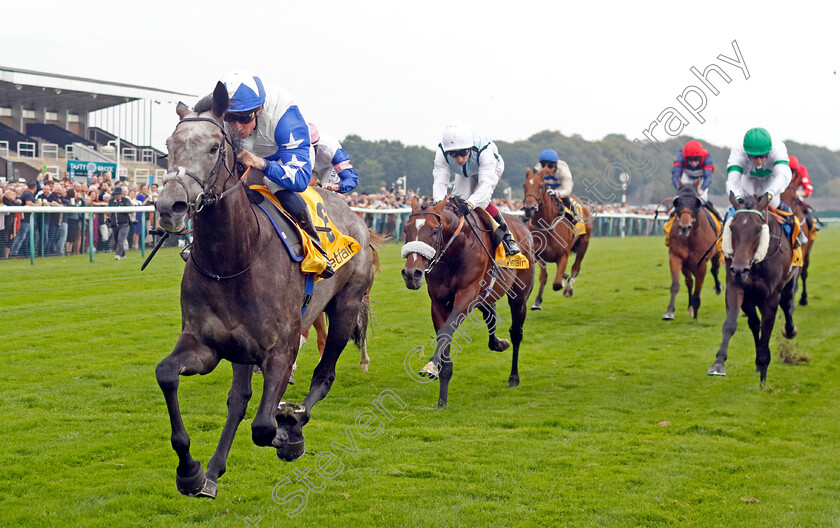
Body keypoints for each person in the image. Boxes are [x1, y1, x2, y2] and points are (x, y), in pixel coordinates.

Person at [220, 70, 334, 277]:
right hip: (251, 155)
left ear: (259, 109)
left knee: (274, 184)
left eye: (244, 118)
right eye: (230, 118)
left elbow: (299, 179)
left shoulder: (286, 118)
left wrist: (262, 164)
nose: (237, 127)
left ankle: (316, 246)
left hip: (287, 158)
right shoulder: (219, 104)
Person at [432, 123, 519, 255]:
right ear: (448, 152)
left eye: (463, 153)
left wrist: (470, 204)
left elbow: (485, 185)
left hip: (490, 168)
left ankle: (507, 236)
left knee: (481, 202)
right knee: (458, 200)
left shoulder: (485, 150)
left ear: (470, 148)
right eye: (454, 155)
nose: (460, 159)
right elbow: (440, 182)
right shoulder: (441, 152)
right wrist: (439, 205)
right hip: (465, 172)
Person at [726, 127, 807, 247]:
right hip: (747, 179)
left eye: (763, 156)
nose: (758, 161)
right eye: (754, 157)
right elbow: (732, 181)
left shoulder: (778, 148)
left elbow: (783, 176)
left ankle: (796, 231)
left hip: (771, 179)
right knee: (739, 207)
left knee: (774, 202)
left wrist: (770, 193)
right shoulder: (737, 151)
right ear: (746, 153)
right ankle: (723, 234)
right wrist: (739, 200)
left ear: (769, 151)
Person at [671, 140, 722, 222]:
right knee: (680, 199)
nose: (694, 163)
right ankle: (670, 219)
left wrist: (702, 189)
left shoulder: (706, 157)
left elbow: (708, 177)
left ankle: (718, 218)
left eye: (696, 160)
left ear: (700, 157)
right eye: (690, 160)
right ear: (685, 158)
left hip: (700, 179)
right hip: (686, 177)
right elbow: (675, 176)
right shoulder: (681, 157)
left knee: (703, 199)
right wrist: (679, 188)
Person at [308, 123, 359, 194]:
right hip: (310, 167)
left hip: (328, 168)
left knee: (324, 192)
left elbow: (352, 179)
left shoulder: (332, 150)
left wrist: (336, 186)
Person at [535, 148, 577, 223]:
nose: (547, 169)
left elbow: (567, 190)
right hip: (546, 187)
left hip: (561, 187)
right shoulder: (537, 169)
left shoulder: (564, 171)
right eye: (544, 165)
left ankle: (574, 214)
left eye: (550, 166)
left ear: (555, 165)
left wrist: (556, 193)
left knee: (564, 198)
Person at [9, 181, 37, 257]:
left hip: (28, 220)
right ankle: (13, 253)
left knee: (26, 237)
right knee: (21, 237)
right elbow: (29, 203)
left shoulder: (29, 194)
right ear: (35, 187)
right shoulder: (27, 194)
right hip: (25, 220)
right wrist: (38, 204)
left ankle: (24, 253)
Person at [108, 187, 132, 260]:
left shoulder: (126, 200)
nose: (117, 195)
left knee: (120, 239)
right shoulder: (111, 201)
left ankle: (118, 255)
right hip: (114, 224)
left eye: (118, 194)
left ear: (121, 194)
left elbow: (130, 210)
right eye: (116, 194)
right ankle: (123, 255)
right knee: (117, 240)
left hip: (124, 224)